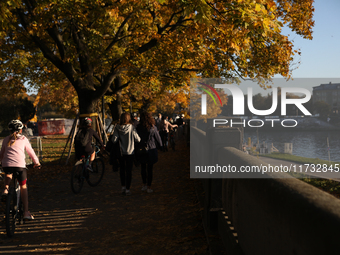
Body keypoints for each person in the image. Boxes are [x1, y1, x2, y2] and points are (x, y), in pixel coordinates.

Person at [0, 120, 41, 220]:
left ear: (9, 131)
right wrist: (37, 163)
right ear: (21, 130)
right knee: (23, 187)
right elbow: (31, 152)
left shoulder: (5, 139)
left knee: (8, 173)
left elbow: (1, 154)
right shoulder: (23, 139)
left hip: (7, 166)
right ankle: (26, 212)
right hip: (20, 167)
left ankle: (5, 189)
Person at [112, 113, 141, 195]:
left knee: (122, 170)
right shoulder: (132, 128)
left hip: (121, 152)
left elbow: (114, 140)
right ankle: (128, 189)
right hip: (130, 152)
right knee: (129, 171)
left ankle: (123, 187)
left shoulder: (117, 127)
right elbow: (138, 139)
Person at [136, 112, 162, 193]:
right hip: (151, 148)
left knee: (143, 167)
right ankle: (149, 186)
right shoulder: (152, 127)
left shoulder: (138, 127)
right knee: (150, 169)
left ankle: (144, 184)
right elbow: (157, 137)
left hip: (142, 149)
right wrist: (161, 146)